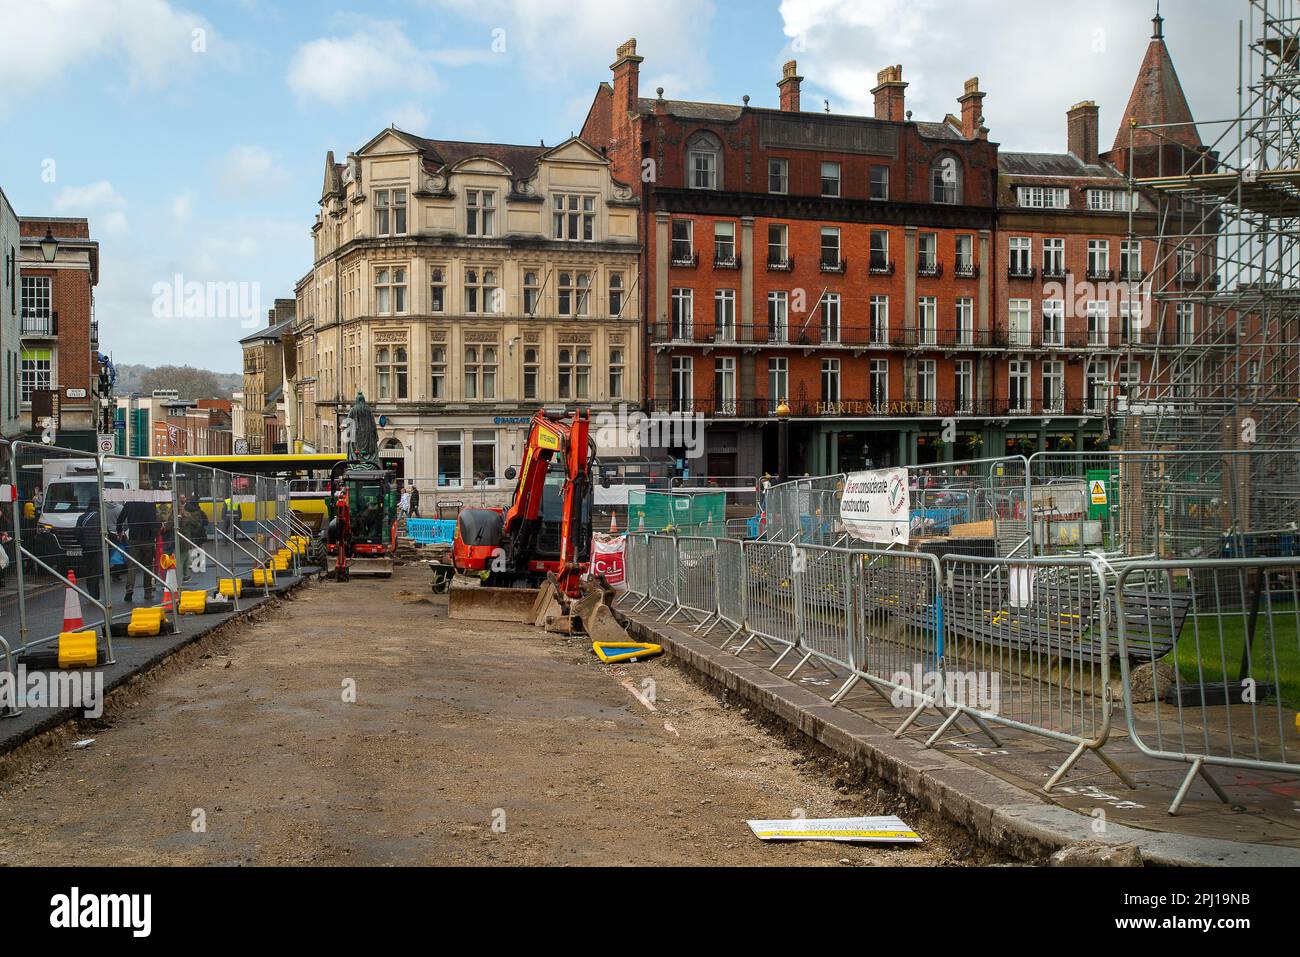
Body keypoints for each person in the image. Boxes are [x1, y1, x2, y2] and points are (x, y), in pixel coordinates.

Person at [117, 484, 161, 603]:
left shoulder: (130, 503)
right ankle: (147, 592)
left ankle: (130, 588)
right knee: (147, 566)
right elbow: (153, 521)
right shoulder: (150, 503)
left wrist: (119, 531)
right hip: (148, 539)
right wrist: (158, 527)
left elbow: (120, 519)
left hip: (134, 539)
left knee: (132, 565)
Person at [73, 498, 105, 600]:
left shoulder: (82, 517)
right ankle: (96, 595)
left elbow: (76, 533)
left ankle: (90, 592)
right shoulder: (101, 517)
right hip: (97, 547)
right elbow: (106, 532)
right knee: (96, 571)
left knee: (88, 570)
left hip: (86, 547)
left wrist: (82, 543)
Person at [178, 497, 207, 584]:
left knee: (188, 553)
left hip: (190, 535)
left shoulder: (185, 515)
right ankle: (198, 566)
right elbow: (203, 523)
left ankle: (192, 567)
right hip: (198, 534)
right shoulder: (199, 512)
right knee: (198, 549)